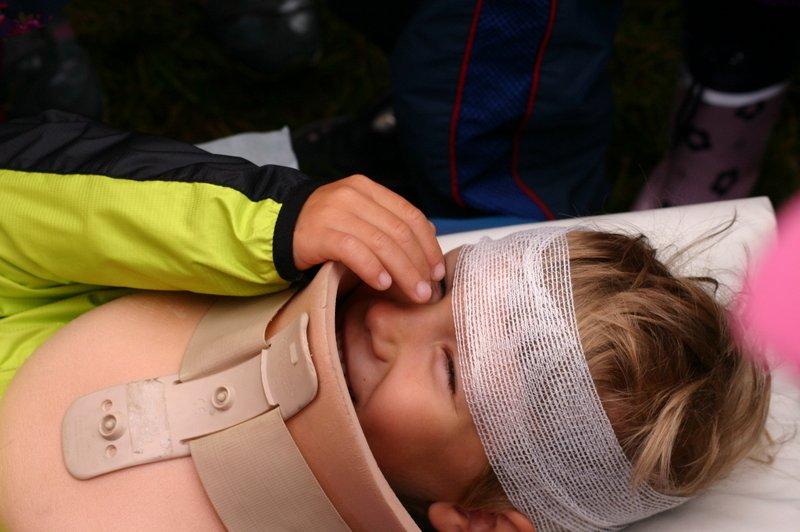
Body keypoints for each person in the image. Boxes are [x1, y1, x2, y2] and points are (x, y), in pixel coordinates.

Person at [0, 113, 772, 529]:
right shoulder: (220, 267)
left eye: (451, 369)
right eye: (438, 289)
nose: (387, 324)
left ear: (480, 521)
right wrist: (273, 220)